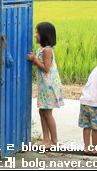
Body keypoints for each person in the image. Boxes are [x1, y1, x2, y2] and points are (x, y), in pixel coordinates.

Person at [27, 21, 64, 149]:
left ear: (44, 35)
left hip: (49, 86)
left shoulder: (47, 50)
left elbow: (46, 68)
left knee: (47, 113)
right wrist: (33, 59)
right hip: (44, 86)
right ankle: (45, 139)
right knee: (42, 112)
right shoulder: (41, 49)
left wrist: (34, 59)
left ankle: (54, 141)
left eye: (37, 32)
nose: (35, 35)